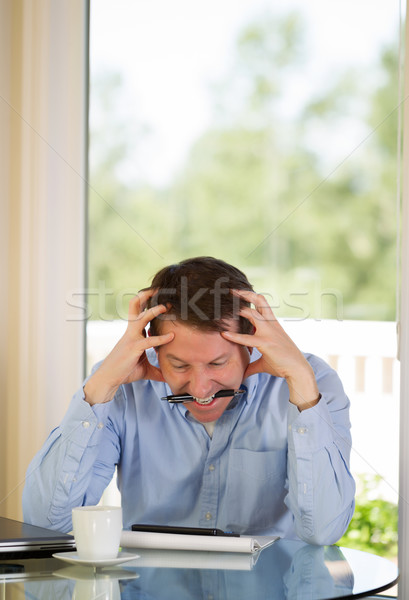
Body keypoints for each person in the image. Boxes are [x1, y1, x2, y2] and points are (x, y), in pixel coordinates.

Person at [23, 257, 355, 544]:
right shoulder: (119, 387)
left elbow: (323, 531)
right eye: (179, 365)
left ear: (251, 343)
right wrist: (98, 391)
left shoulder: (313, 383)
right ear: (153, 350)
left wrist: (302, 390)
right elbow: (47, 524)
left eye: (217, 363)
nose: (200, 388)